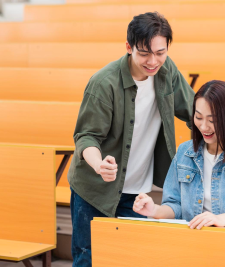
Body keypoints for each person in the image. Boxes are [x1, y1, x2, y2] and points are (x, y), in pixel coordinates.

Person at [67, 12, 195, 266]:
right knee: (88, 259)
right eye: (144, 53)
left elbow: (195, 112)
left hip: (137, 191)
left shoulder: (166, 70)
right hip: (94, 190)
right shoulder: (104, 83)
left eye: (160, 52)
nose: (153, 61)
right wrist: (98, 164)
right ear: (129, 47)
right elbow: (86, 137)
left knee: (132, 258)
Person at [133, 80, 225, 229]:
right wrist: (154, 210)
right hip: (192, 239)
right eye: (198, 118)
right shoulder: (184, 153)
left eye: (212, 120)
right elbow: (174, 205)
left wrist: (220, 220)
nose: (203, 127)